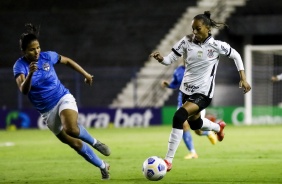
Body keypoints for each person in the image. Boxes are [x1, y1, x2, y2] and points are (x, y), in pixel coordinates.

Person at [150, 11, 251, 172]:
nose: (195, 32)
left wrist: (243, 78)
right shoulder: (186, 41)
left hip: (203, 94)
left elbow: (236, 56)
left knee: (179, 116)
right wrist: (161, 59)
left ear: (208, 28)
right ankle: (218, 127)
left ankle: (168, 160)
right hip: (186, 92)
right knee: (196, 124)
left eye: (198, 29)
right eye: (193, 29)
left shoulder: (217, 46)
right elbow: (169, 60)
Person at [13, 23, 111, 180]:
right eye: (32, 49)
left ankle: (95, 142)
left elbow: (67, 61)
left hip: (62, 97)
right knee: (75, 144)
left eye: (38, 47)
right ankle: (103, 166)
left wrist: (85, 74)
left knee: (71, 128)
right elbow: (24, 90)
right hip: (47, 112)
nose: (36, 51)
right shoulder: (20, 66)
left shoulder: (47, 56)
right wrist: (30, 74)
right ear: (24, 51)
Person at [161, 63, 217, 160]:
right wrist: (168, 85)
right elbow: (175, 84)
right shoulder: (178, 70)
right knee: (184, 125)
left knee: (197, 131)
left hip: (197, 101)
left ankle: (208, 132)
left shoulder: (198, 67)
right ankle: (193, 152)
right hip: (182, 103)